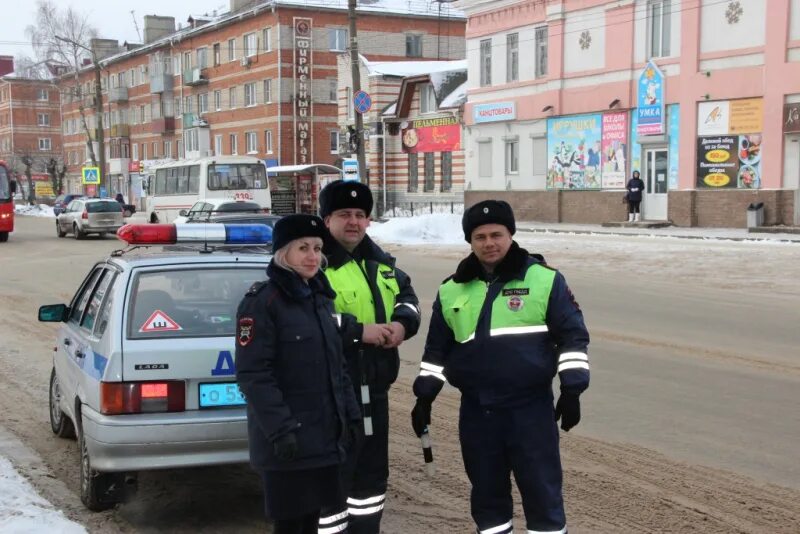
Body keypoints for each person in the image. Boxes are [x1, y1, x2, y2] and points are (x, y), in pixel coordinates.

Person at [411, 200, 590, 534]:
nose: (489, 243)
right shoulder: (451, 290)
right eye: (480, 236)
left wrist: (572, 390)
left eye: (497, 234)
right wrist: (424, 397)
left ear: (511, 235)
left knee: (543, 496)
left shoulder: (544, 280)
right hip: (478, 413)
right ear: (470, 241)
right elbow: (436, 351)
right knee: (487, 499)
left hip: (530, 411)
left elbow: (573, 338)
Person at [235, 214, 362, 534]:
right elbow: (254, 375)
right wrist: (281, 431)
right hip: (287, 444)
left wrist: (350, 414)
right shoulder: (263, 302)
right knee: (291, 525)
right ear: (283, 253)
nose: (313, 256)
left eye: (318, 248)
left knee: (314, 522)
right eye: (303, 248)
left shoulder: (320, 299)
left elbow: (338, 365)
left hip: (323, 440)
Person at [317, 180, 421, 534]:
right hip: (331, 398)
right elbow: (306, 319)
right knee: (332, 486)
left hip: (374, 391)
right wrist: (359, 331)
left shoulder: (380, 262)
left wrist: (402, 324)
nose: (354, 222)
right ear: (326, 218)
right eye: (344, 214)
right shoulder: (314, 263)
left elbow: (407, 297)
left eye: (361, 215)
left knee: (370, 484)